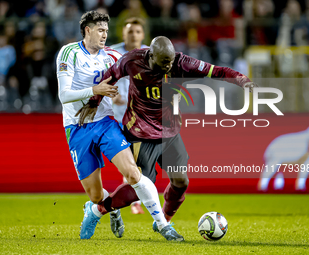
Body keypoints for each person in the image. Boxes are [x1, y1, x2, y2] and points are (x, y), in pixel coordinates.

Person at [77, 36, 257, 236]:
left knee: (181, 182)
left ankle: (165, 219)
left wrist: (242, 80)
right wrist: (94, 101)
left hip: (170, 133)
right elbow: (109, 75)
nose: (168, 67)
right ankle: (96, 210)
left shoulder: (182, 63)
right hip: (140, 133)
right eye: (163, 63)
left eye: (170, 62)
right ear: (151, 55)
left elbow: (217, 71)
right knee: (139, 187)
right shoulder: (132, 60)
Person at [56, 11, 184, 241]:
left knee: (134, 174)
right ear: (87, 30)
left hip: (106, 123)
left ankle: (164, 226)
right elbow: (64, 95)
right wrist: (96, 90)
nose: (105, 35)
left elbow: (146, 74)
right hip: (76, 127)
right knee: (95, 195)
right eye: (100, 31)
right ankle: (104, 209)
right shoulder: (69, 52)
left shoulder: (113, 56)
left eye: (107, 30)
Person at [110, 17, 148, 214]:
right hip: (115, 118)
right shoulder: (112, 52)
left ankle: (133, 201)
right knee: (129, 161)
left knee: (134, 161)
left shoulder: (150, 54)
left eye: (137, 31)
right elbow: (102, 76)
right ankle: (126, 200)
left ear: (142, 35)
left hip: (140, 117)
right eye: (130, 31)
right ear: (123, 33)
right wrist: (110, 94)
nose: (133, 34)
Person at [258, 125, 309, 192]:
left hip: (292, 154)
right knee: (274, 168)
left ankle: (300, 186)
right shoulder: (299, 142)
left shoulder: (308, 151)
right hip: (276, 152)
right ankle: (264, 186)